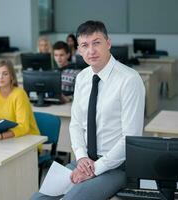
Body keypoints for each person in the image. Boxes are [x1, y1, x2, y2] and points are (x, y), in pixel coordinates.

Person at [31, 20, 145, 200]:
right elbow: (76, 124)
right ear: (79, 50)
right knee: (39, 197)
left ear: (108, 43)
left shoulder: (129, 80)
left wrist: (95, 168)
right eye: (85, 45)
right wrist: (82, 158)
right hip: (85, 161)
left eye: (96, 43)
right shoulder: (83, 78)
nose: (91, 51)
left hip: (117, 166)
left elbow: (131, 138)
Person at [0, 59, 40, 141]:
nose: (0, 77)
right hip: (5, 139)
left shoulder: (19, 94)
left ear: (11, 76)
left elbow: (23, 127)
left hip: (28, 140)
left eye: (5, 74)